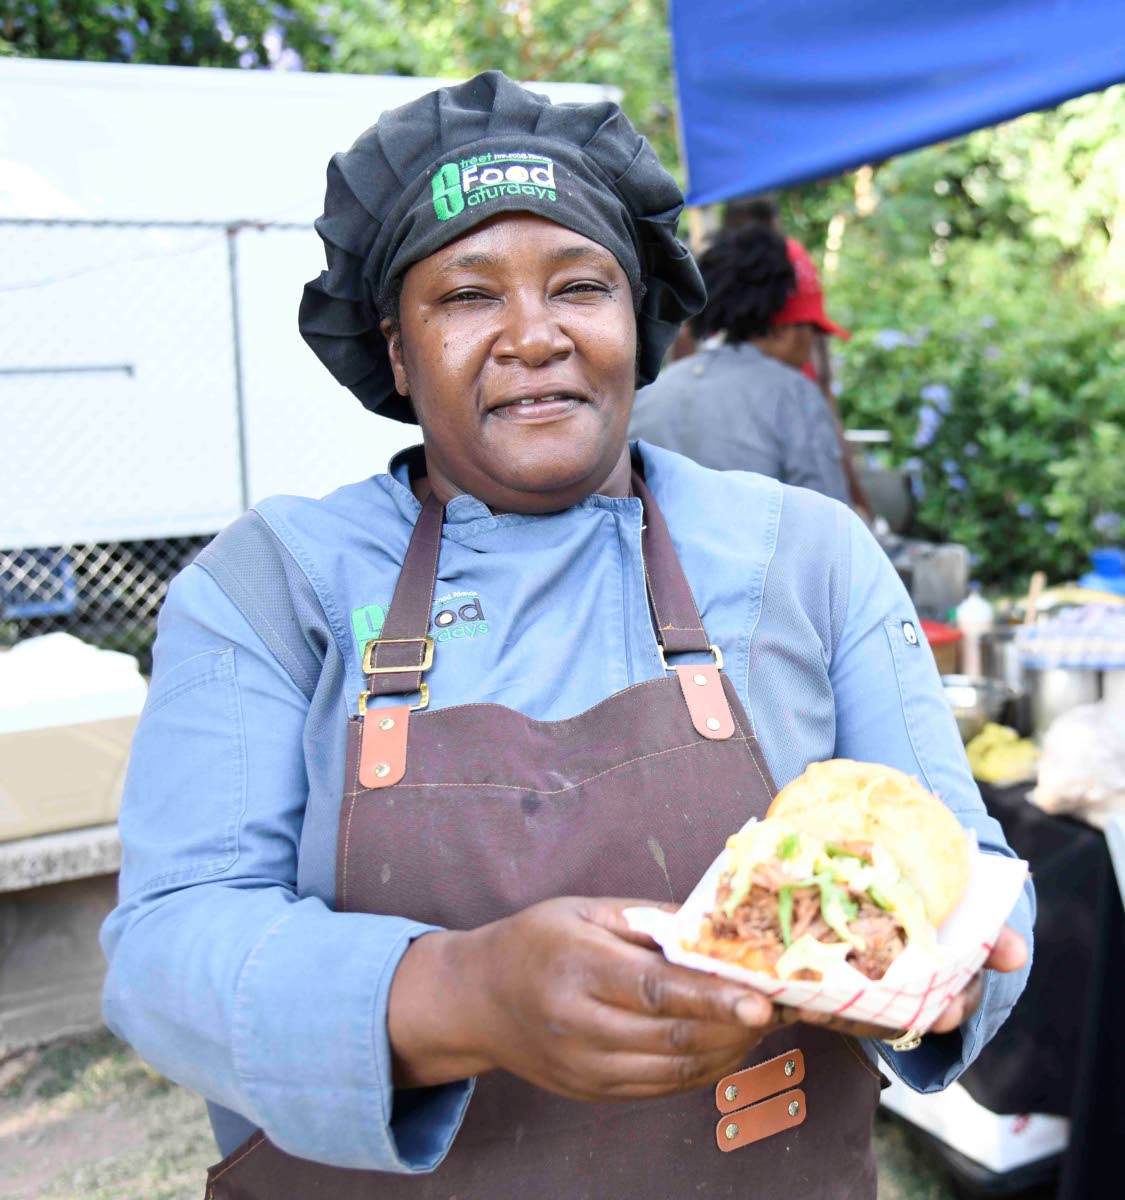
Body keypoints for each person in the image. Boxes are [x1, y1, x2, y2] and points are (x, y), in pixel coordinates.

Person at [100, 72, 1032, 1199]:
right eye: (467, 295)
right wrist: (456, 996)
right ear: (397, 351)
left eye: (580, 286)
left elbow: (963, 865)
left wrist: (955, 966)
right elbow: (168, 950)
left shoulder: (805, 557)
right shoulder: (270, 588)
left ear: (638, 325)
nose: (532, 336)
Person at [629, 225, 852, 502]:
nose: (810, 350)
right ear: (783, 330)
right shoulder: (795, 395)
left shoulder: (651, 391)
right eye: (811, 331)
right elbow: (829, 520)